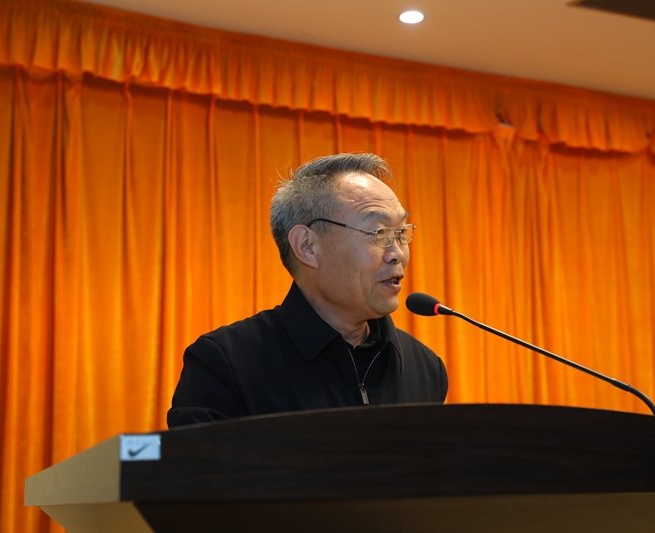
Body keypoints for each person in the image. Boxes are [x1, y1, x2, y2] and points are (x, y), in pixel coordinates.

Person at [167, 153, 448, 427]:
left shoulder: (425, 368)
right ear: (307, 246)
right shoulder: (226, 363)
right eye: (379, 233)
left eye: (401, 233)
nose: (398, 253)